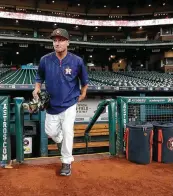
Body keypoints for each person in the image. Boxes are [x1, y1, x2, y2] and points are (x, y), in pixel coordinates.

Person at [33, 28, 89, 176]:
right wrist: (36, 89)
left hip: (70, 102)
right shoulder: (45, 59)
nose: (57, 43)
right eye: (55, 40)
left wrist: (83, 93)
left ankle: (66, 162)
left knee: (68, 131)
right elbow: (39, 78)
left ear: (67, 42)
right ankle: (60, 140)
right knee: (50, 132)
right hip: (51, 104)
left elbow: (84, 80)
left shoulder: (77, 61)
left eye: (61, 40)